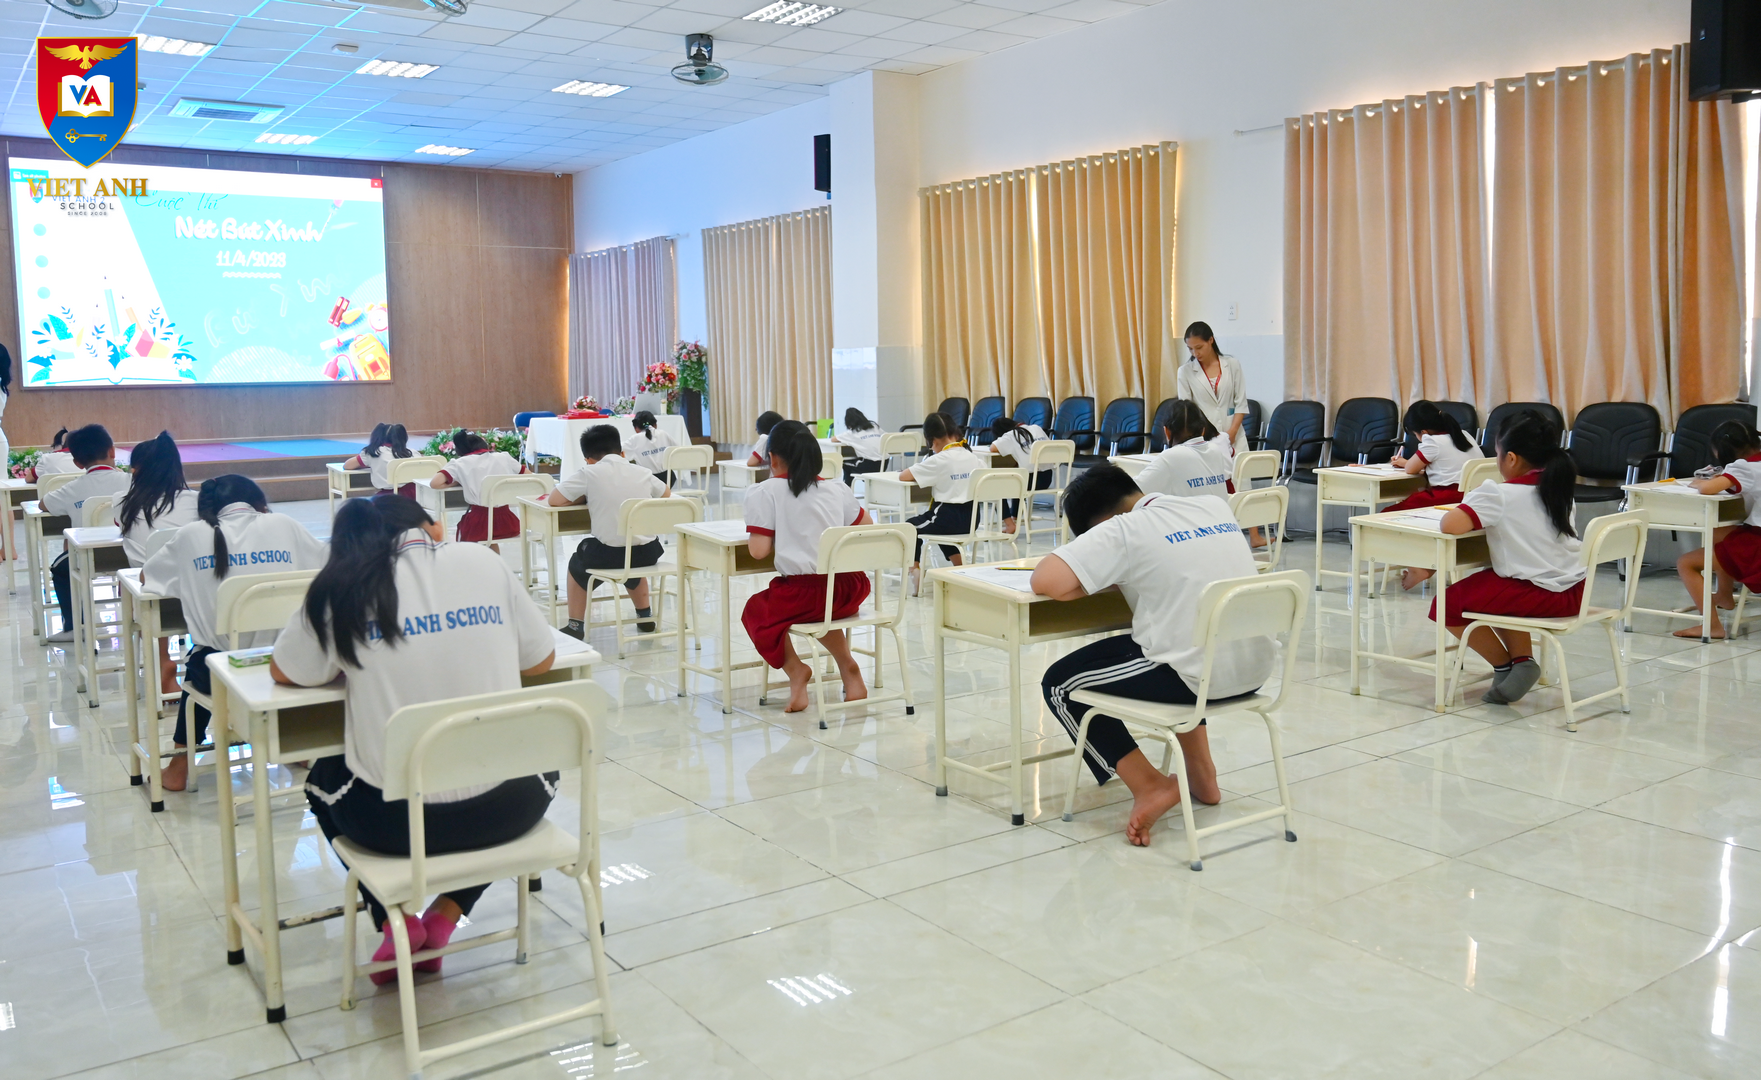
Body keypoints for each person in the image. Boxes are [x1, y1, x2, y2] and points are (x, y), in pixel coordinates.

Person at [273, 495, 558, 984]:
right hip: (509, 811)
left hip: (392, 825)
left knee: (323, 779)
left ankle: (395, 919)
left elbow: (286, 671)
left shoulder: (341, 586)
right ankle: (446, 914)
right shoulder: (483, 561)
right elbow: (540, 662)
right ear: (432, 528)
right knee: (529, 754)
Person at [1032, 464, 1272, 846]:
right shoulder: (1212, 506)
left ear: (1098, 525)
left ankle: (1151, 786)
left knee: (1061, 684)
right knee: (1181, 643)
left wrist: (1100, 574)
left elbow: (1046, 580)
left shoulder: (1123, 529)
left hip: (1195, 677)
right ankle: (1202, 776)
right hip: (1254, 667)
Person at [142, 475, 329, 791]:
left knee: (201, 660)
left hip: (221, 674)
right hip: (287, 665)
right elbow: (326, 566)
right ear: (259, 503)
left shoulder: (190, 535)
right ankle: (297, 746)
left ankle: (178, 767)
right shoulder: (284, 525)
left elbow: (147, 578)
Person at [1435, 410, 1584, 704]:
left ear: (1511, 458)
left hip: (1540, 593)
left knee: (1446, 605)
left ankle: (1505, 666)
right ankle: (1521, 663)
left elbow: (1449, 525)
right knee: (1496, 582)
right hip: (1574, 590)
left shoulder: (1497, 493)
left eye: (1498, 454)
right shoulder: (1558, 488)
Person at [740, 421, 874, 712]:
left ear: (772, 458)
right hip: (849, 588)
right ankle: (848, 666)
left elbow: (758, 551)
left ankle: (796, 669)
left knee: (756, 610)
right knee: (819, 609)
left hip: (809, 593)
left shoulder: (765, 491)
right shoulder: (836, 489)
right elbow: (867, 526)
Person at [548, 425, 669, 638]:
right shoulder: (642, 472)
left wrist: (585, 496)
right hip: (648, 553)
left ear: (588, 459)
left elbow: (554, 500)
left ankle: (575, 626)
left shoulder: (589, 473)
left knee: (578, 560)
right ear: (621, 452)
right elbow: (665, 493)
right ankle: (645, 616)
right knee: (631, 549)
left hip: (611, 556)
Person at [114, 432, 201, 691]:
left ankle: (162, 659)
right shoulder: (196, 501)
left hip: (149, 597)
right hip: (194, 595)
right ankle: (200, 652)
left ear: (135, 470)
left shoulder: (121, 502)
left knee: (139, 579)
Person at [1672, 420, 1761, 640]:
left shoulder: (1744, 467)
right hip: (1755, 534)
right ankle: (1724, 596)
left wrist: (1700, 482)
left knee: (1686, 563)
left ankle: (1711, 626)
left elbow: (1708, 489)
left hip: (1757, 545)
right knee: (1720, 532)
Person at [42, 424, 131, 643]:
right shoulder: (130, 481)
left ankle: (75, 627)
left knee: (60, 569)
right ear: (112, 451)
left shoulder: (73, 487)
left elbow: (44, 504)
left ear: (77, 463)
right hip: (130, 554)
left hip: (87, 559)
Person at [1388, 401, 1485, 590]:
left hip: (1446, 497)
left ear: (1423, 432)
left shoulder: (1432, 442)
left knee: (1389, 515)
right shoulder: (1464, 435)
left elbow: (1410, 469)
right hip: (1471, 496)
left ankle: (1420, 566)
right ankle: (1426, 565)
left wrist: (1403, 462)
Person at [899, 412, 981, 593]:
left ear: (933, 441)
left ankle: (915, 571)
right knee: (941, 532)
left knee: (909, 528)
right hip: (972, 519)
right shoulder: (972, 457)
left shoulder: (938, 459)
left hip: (947, 516)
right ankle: (961, 568)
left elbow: (904, 476)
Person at [430, 430, 527, 547]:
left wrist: (456, 483)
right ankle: (494, 558)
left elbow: (434, 483)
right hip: (507, 523)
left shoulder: (460, 463)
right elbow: (529, 475)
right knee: (491, 540)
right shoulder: (504, 457)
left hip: (479, 524)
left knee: (476, 535)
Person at [1176, 321, 1251, 456]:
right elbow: (1188, 410)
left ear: (1211, 340)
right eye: (1190, 349)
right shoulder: (1185, 372)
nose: (1195, 353)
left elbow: (1241, 403)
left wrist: (1232, 433)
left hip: (1234, 437)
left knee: (1238, 469)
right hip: (1204, 439)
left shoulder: (1232, 365)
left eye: (1199, 347)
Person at [1136, 400, 1233, 501]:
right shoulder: (1215, 450)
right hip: (1222, 511)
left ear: (1167, 432)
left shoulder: (1171, 457)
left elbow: (1133, 493)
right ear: (1203, 431)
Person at [990, 416, 1051, 534]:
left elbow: (993, 448)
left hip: (1028, 482)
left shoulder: (1010, 435)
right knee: (1018, 476)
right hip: (1047, 479)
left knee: (995, 486)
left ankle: (1010, 525)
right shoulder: (1036, 428)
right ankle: (1015, 517)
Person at [345, 423, 416, 498]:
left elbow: (347, 465)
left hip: (388, 497)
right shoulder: (413, 453)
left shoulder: (374, 453)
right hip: (416, 495)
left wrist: (368, 464)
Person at [834, 407, 886, 485]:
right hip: (884, 463)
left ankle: (847, 488)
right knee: (857, 462)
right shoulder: (875, 427)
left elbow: (834, 439)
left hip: (869, 466)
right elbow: (886, 435)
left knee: (844, 464)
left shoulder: (852, 433)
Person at [623, 410, 677, 483]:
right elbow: (677, 450)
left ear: (636, 428)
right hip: (668, 478)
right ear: (655, 425)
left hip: (647, 480)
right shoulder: (663, 434)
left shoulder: (634, 440)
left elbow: (619, 453)